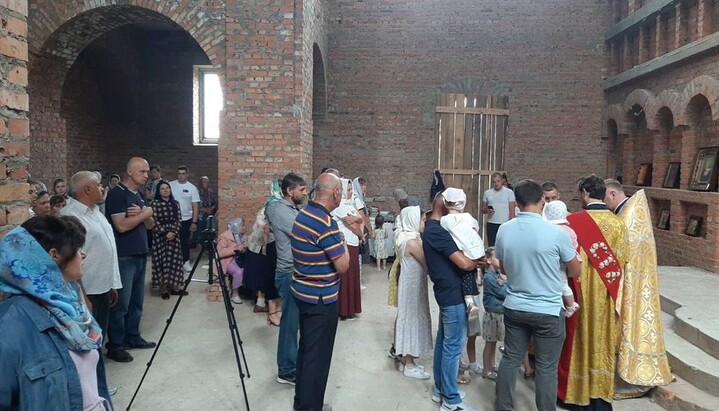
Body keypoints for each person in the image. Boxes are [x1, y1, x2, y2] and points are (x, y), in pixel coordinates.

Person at [0, 215, 112, 410]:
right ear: (54, 255)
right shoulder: (10, 326)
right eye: (77, 249)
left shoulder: (70, 305)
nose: (83, 255)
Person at [494, 179, 580, 411]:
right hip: (548, 310)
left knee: (511, 359)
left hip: (515, 306)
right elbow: (575, 269)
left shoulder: (504, 229)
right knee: (546, 367)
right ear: (543, 199)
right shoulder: (556, 234)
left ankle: (503, 407)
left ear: (517, 202)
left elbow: (502, 268)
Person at [558, 175, 630, 409]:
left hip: (578, 292)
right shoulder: (618, 223)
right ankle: (599, 398)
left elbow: (564, 260)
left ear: (586, 193)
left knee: (577, 341)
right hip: (607, 295)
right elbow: (623, 260)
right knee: (601, 342)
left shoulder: (572, 221)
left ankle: (576, 397)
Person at [603, 180, 671, 399]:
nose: (605, 205)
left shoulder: (629, 218)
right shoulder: (630, 213)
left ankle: (635, 377)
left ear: (612, 194)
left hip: (634, 286)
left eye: (605, 199)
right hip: (637, 282)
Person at [291, 173, 349, 411]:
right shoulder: (325, 223)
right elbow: (343, 264)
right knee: (318, 358)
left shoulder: (304, 213)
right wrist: (343, 242)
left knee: (307, 351)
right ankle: (310, 407)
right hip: (320, 299)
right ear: (335, 192)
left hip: (302, 293)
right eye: (342, 191)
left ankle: (302, 403)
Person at [423, 193, 485, 411]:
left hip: (446, 290)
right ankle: (451, 400)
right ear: (444, 204)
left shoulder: (438, 227)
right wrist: (481, 261)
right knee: (453, 345)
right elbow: (465, 264)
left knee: (444, 341)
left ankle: (441, 388)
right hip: (452, 294)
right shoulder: (438, 231)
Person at [104, 157, 157, 363]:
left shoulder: (140, 195)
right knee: (121, 304)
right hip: (124, 255)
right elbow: (122, 226)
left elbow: (151, 225)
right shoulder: (117, 195)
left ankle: (132, 336)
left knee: (137, 301)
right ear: (130, 172)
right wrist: (146, 214)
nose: (146, 175)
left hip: (141, 252)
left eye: (147, 171)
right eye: (142, 171)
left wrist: (146, 213)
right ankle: (115, 345)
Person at [266, 172, 307, 386]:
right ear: (289, 191)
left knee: (296, 322)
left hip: (296, 271)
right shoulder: (280, 210)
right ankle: (286, 369)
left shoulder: (292, 208)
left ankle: (292, 363)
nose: (305, 192)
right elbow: (304, 234)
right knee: (289, 324)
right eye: (301, 189)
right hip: (288, 273)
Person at [393, 205, 433, 380]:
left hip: (412, 284)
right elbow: (428, 264)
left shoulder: (409, 237)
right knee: (411, 318)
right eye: (422, 219)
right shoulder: (412, 242)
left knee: (411, 316)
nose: (424, 222)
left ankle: (406, 357)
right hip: (411, 287)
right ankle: (409, 363)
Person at [439, 187, 484, 319]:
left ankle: (469, 301)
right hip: (473, 250)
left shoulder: (444, 220)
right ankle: (472, 297)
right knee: (471, 272)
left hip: (457, 253)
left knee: (465, 275)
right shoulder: (468, 217)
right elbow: (475, 228)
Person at [331, 178, 363, 321]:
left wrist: (357, 219)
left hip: (354, 243)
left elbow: (360, 219)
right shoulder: (341, 205)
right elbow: (352, 225)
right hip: (346, 243)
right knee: (346, 277)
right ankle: (344, 309)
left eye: (351, 189)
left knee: (353, 276)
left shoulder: (350, 205)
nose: (350, 192)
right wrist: (361, 231)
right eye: (348, 190)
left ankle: (352, 308)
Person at [542, 200, 581, 317]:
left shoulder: (546, 230)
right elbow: (574, 245)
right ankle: (569, 304)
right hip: (565, 261)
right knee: (563, 283)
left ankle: (570, 305)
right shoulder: (569, 231)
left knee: (562, 285)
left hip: (551, 261)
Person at [243, 207, 281, 323]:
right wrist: (267, 249)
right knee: (265, 277)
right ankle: (271, 310)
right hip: (260, 248)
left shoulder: (269, 209)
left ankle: (261, 303)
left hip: (259, 247)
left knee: (262, 276)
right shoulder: (272, 211)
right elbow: (265, 231)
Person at [150, 180, 186, 300]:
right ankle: (164, 288)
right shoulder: (154, 204)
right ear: (159, 192)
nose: (165, 190)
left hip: (174, 236)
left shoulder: (175, 203)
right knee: (162, 262)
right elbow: (154, 220)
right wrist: (165, 232)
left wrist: (173, 232)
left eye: (167, 188)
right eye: (162, 189)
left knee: (174, 262)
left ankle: (175, 287)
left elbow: (179, 219)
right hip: (160, 237)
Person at [481, 247, 506, 381]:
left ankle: (491, 365)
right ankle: (486, 369)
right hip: (492, 315)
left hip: (498, 313)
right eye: (498, 257)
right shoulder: (489, 277)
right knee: (490, 343)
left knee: (494, 342)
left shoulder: (497, 275)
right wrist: (506, 281)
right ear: (489, 260)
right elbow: (503, 293)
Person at [168, 166, 200, 272]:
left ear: (187, 174)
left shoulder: (192, 188)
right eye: (179, 173)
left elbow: (195, 206)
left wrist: (194, 222)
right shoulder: (170, 185)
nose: (181, 175)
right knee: (171, 241)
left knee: (184, 242)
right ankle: (172, 263)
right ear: (177, 175)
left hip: (186, 219)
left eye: (183, 173)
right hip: (172, 219)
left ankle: (185, 262)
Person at [217, 218, 247, 304]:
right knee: (238, 272)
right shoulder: (225, 236)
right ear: (236, 226)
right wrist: (235, 249)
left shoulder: (242, 236)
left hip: (239, 259)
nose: (244, 227)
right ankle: (235, 294)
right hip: (228, 260)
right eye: (242, 225)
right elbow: (219, 253)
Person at [481, 172, 516, 246]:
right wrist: (487, 210)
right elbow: (482, 209)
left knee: (505, 245)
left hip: (505, 223)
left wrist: (511, 225)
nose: (496, 183)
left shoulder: (509, 192)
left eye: (498, 181)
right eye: (494, 182)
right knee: (492, 246)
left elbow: (512, 210)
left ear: (502, 181)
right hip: (491, 223)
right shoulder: (487, 193)